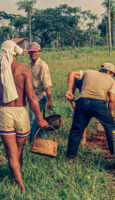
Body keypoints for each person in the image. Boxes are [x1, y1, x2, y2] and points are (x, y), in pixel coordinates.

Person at [0, 40, 48, 191]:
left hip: (4, 113)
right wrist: (40, 119)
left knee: (11, 153)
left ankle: (19, 182)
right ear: (15, 53)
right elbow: (32, 98)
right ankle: (17, 180)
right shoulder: (23, 71)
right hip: (21, 113)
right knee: (19, 151)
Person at [65, 63, 115, 159]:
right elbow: (112, 99)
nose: (113, 76)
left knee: (76, 129)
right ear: (109, 72)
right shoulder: (111, 80)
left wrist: (69, 91)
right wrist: (111, 112)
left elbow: (71, 73)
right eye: (113, 74)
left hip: (82, 101)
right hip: (99, 103)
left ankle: (70, 157)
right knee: (110, 127)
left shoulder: (88, 72)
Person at [24, 42, 53, 143]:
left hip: (40, 98)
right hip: (32, 98)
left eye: (35, 52)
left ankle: (32, 143)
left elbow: (47, 84)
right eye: (31, 52)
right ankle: (42, 142)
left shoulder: (42, 66)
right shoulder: (29, 65)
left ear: (39, 52)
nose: (33, 54)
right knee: (37, 121)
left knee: (33, 121)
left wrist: (49, 101)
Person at [68, 78, 88, 145]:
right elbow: (70, 95)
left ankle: (83, 139)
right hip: (83, 99)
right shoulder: (76, 81)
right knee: (81, 118)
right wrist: (74, 105)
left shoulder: (90, 81)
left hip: (93, 98)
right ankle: (83, 139)